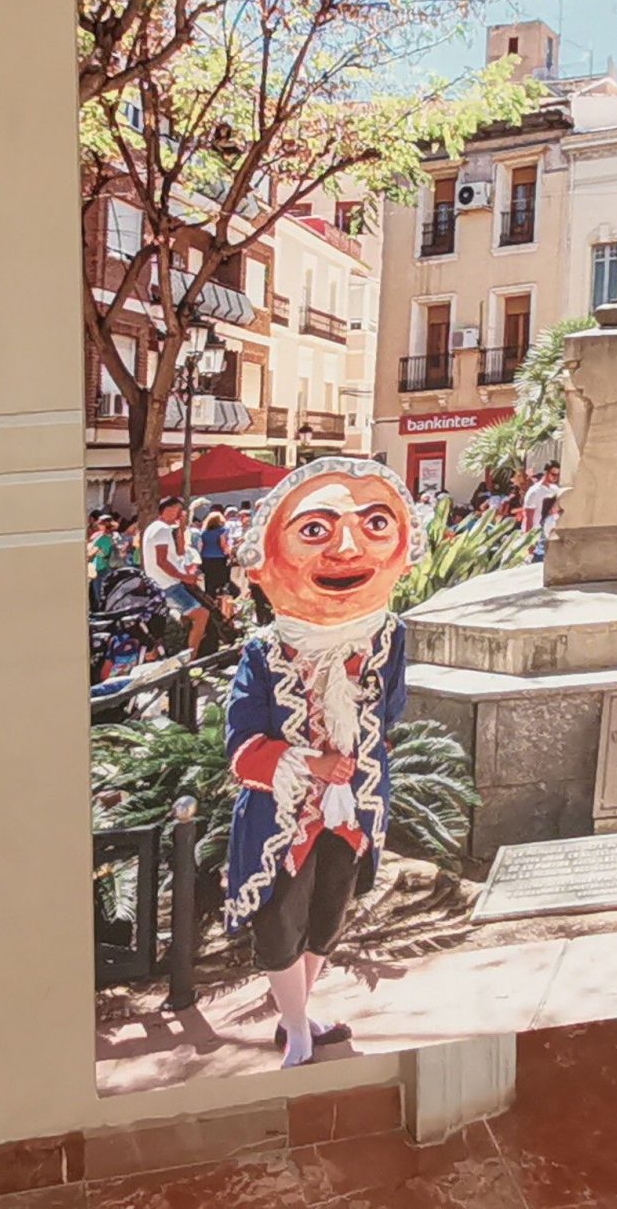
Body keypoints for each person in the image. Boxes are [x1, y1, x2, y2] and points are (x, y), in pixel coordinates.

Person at [224, 457, 415, 1070]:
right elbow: (240, 743)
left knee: (329, 912)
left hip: (355, 805)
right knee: (279, 919)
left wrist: (359, 751)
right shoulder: (264, 651)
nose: (348, 549)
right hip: (282, 815)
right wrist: (310, 763)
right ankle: (297, 1028)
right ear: (264, 565)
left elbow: (390, 709)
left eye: (375, 525)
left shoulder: (389, 636)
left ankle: (299, 1017)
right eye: (314, 530)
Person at [139, 493, 209, 657]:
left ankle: (181, 649)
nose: (180, 514)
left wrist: (181, 528)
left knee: (186, 618)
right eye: (178, 510)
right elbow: (162, 561)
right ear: (168, 509)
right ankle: (191, 656)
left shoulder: (157, 528)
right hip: (168, 584)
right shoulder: (161, 530)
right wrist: (184, 577)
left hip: (164, 583)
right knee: (201, 615)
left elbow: (179, 552)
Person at [196, 500, 236, 604]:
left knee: (209, 582)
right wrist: (229, 554)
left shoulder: (204, 533)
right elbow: (223, 544)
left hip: (206, 558)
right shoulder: (223, 530)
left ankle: (209, 602)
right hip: (219, 558)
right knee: (222, 582)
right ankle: (221, 604)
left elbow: (201, 545)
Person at [520, 462, 565, 537]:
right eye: (553, 474)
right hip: (536, 533)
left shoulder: (555, 489)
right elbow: (528, 516)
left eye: (558, 475)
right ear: (546, 472)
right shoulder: (534, 491)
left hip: (550, 531)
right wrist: (528, 537)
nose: (555, 477)